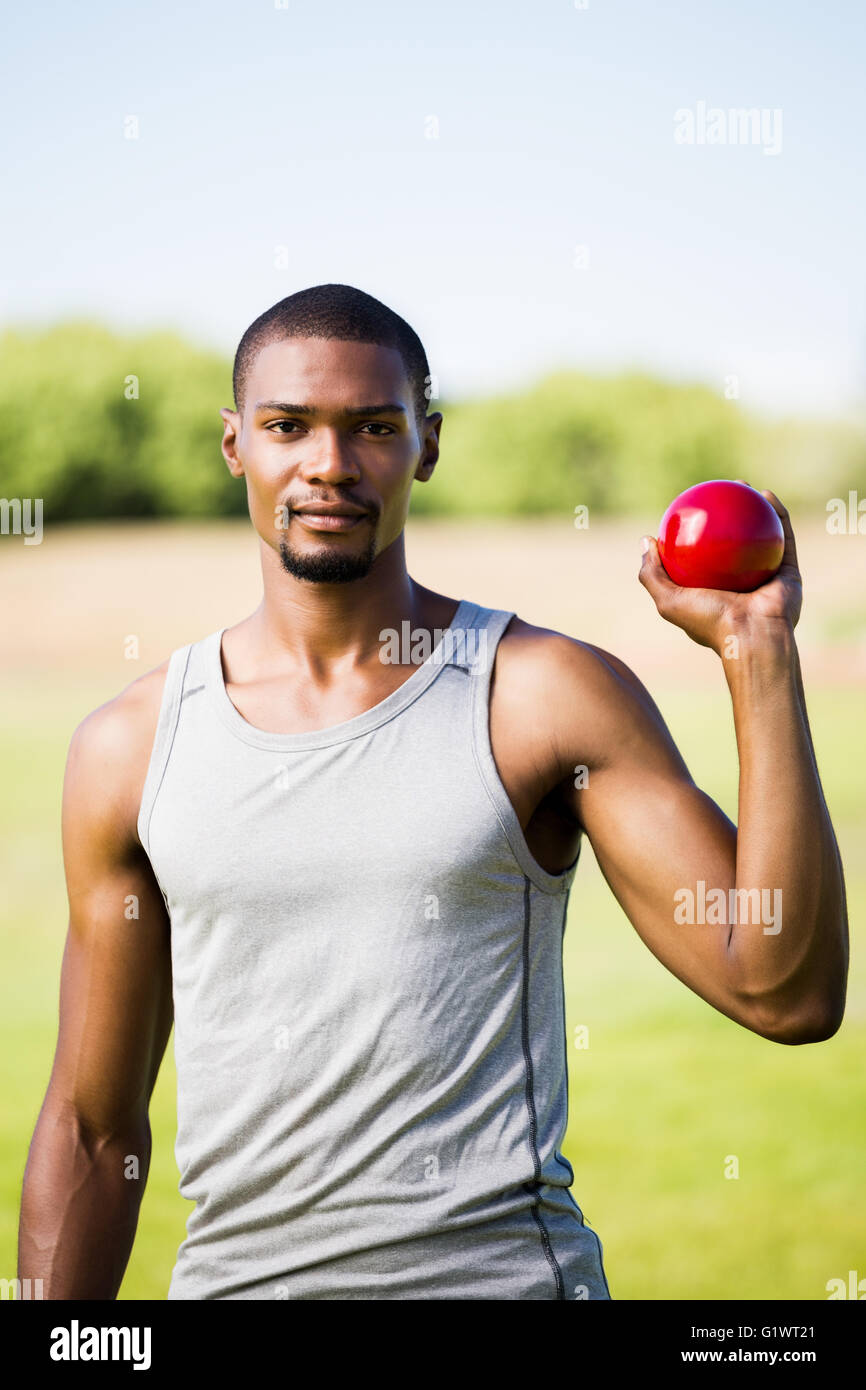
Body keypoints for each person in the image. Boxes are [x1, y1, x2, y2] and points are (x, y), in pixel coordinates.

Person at [18, 283, 848, 1301]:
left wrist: (757, 653)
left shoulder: (541, 695)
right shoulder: (130, 743)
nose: (329, 463)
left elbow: (786, 990)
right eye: (289, 426)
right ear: (236, 445)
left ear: (428, 443)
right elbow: (94, 1129)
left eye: (373, 426)